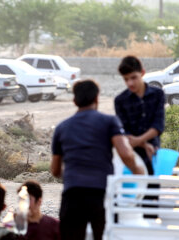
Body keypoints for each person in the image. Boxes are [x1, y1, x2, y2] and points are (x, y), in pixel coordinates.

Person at [51, 79, 144, 240]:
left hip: (72, 195)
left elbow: (55, 170)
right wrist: (138, 170)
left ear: (74, 101)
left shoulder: (61, 127)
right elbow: (126, 154)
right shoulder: (109, 122)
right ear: (96, 98)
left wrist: (74, 174)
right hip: (101, 195)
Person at [114, 55, 165, 175]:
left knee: (153, 190)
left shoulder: (158, 94)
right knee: (132, 191)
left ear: (142, 73)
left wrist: (139, 140)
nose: (130, 83)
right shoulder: (120, 100)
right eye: (126, 79)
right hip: (131, 157)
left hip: (154, 153)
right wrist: (143, 144)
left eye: (133, 78)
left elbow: (158, 125)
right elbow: (124, 131)